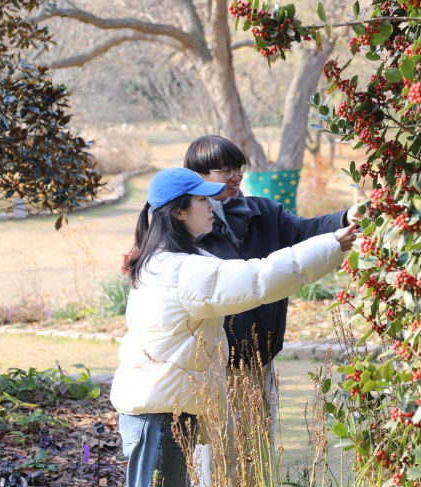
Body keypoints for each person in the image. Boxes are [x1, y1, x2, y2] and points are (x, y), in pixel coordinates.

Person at [110, 167, 357, 487]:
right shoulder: (179, 270)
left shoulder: (167, 259)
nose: (213, 206)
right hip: (160, 419)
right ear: (180, 210)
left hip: (161, 412)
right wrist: (334, 244)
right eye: (203, 200)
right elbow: (258, 280)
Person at [183, 136, 361, 450]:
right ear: (199, 176)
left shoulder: (263, 211)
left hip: (260, 358)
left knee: (258, 452)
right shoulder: (187, 228)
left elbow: (304, 231)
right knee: (217, 457)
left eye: (238, 168)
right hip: (214, 365)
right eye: (224, 170)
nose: (235, 176)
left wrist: (345, 218)